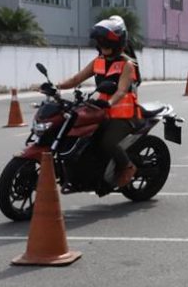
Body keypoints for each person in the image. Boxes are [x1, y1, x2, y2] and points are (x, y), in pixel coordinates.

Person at [53, 16, 138, 188]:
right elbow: (76, 79)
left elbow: (121, 91)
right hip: (101, 112)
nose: (104, 46)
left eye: (107, 43)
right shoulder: (97, 62)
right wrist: (55, 87)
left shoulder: (127, 65)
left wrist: (109, 102)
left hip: (124, 116)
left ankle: (127, 166)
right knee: (82, 135)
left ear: (117, 43)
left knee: (107, 142)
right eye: (101, 42)